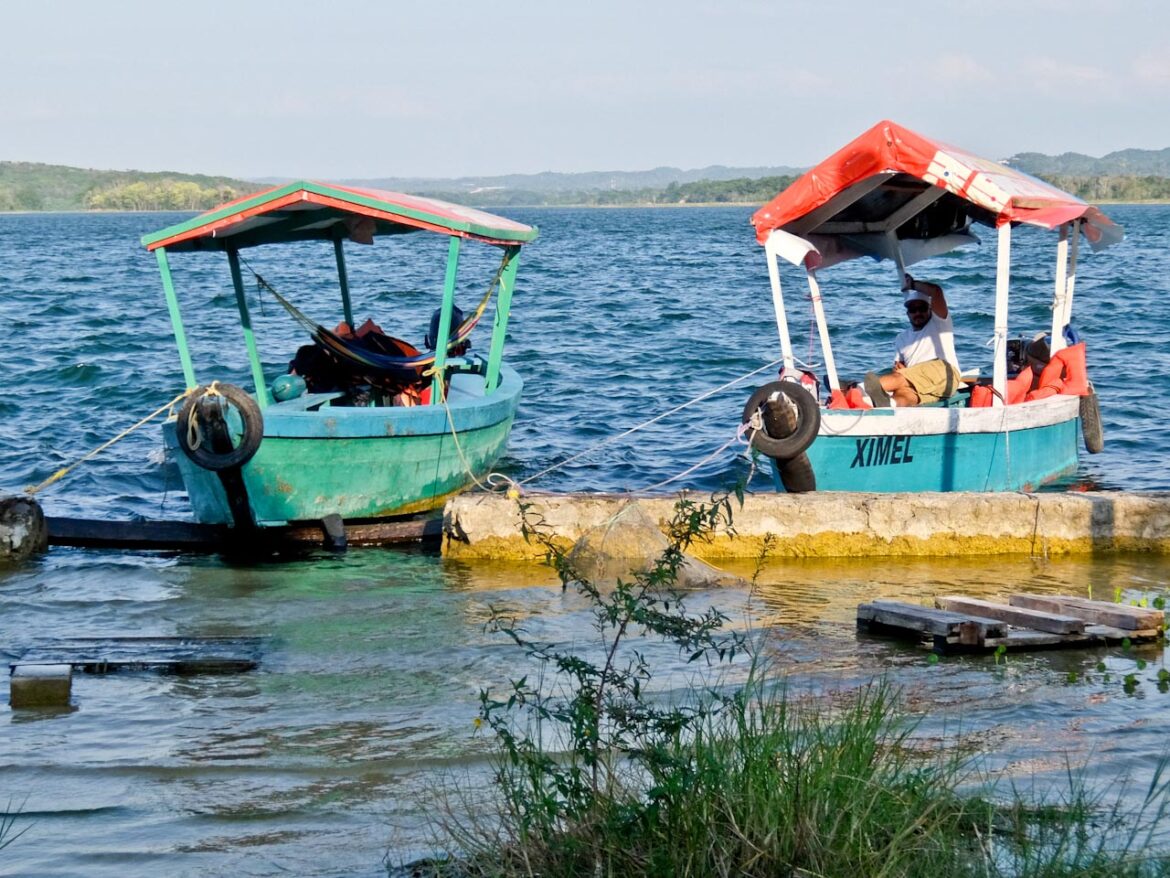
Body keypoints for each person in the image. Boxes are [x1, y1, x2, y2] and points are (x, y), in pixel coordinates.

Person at [864, 274, 962, 407]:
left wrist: (912, 285)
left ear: (930, 310)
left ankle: (856, 391)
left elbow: (936, 291)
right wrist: (899, 369)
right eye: (912, 310)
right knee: (904, 393)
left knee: (901, 378)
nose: (917, 313)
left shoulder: (939, 324)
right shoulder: (901, 338)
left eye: (922, 308)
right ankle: (889, 404)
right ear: (907, 314)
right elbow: (898, 369)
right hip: (923, 383)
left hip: (945, 373)